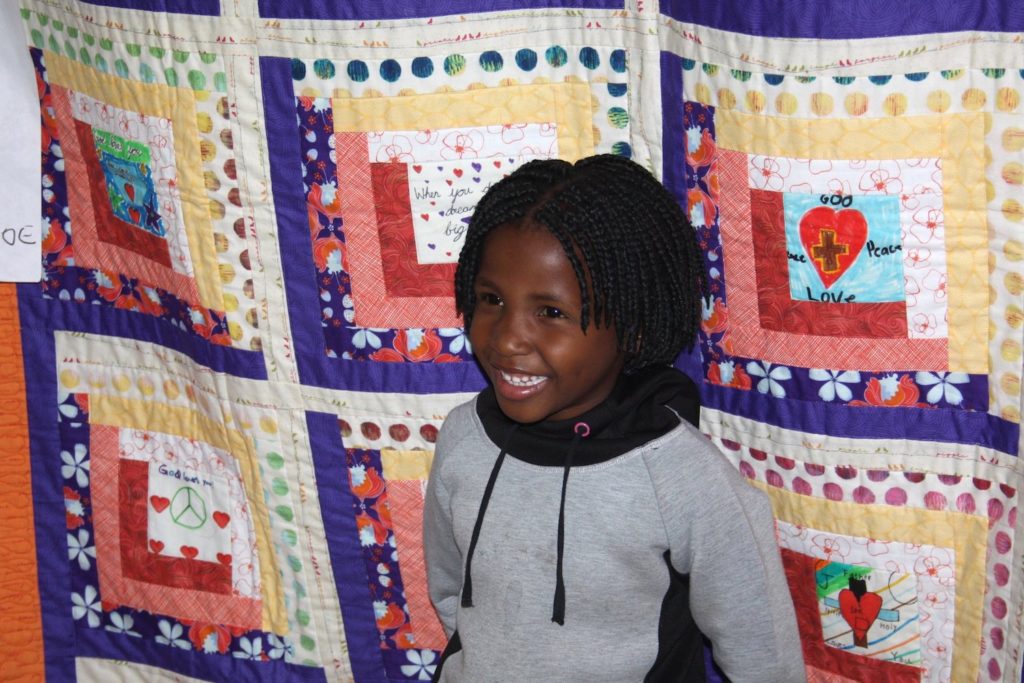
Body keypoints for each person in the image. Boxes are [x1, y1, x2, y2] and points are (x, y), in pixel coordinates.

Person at [423, 155, 804, 682]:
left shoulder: (680, 475)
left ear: (633, 327)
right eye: (491, 299)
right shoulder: (463, 438)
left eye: (551, 313)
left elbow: (761, 648)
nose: (507, 338)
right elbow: (450, 590)